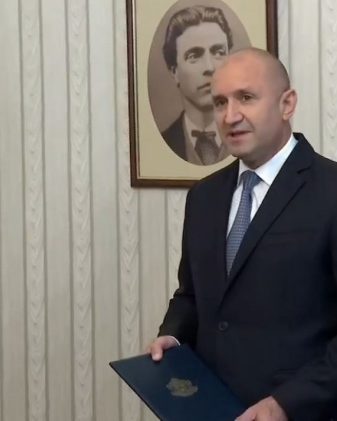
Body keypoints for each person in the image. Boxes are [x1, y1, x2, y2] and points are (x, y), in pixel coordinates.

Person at [148, 48, 337, 420]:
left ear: (287, 104)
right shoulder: (204, 197)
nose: (230, 116)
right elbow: (191, 296)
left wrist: (287, 403)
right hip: (209, 408)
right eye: (220, 102)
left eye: (246, 98)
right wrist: (173, 335)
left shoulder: (330, 191)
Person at [160, 5, 233, 165]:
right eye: (194, 56)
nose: (210, 67)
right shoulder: (163, 142)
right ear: (174, 71)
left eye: (219, 53)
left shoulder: (254, 140)